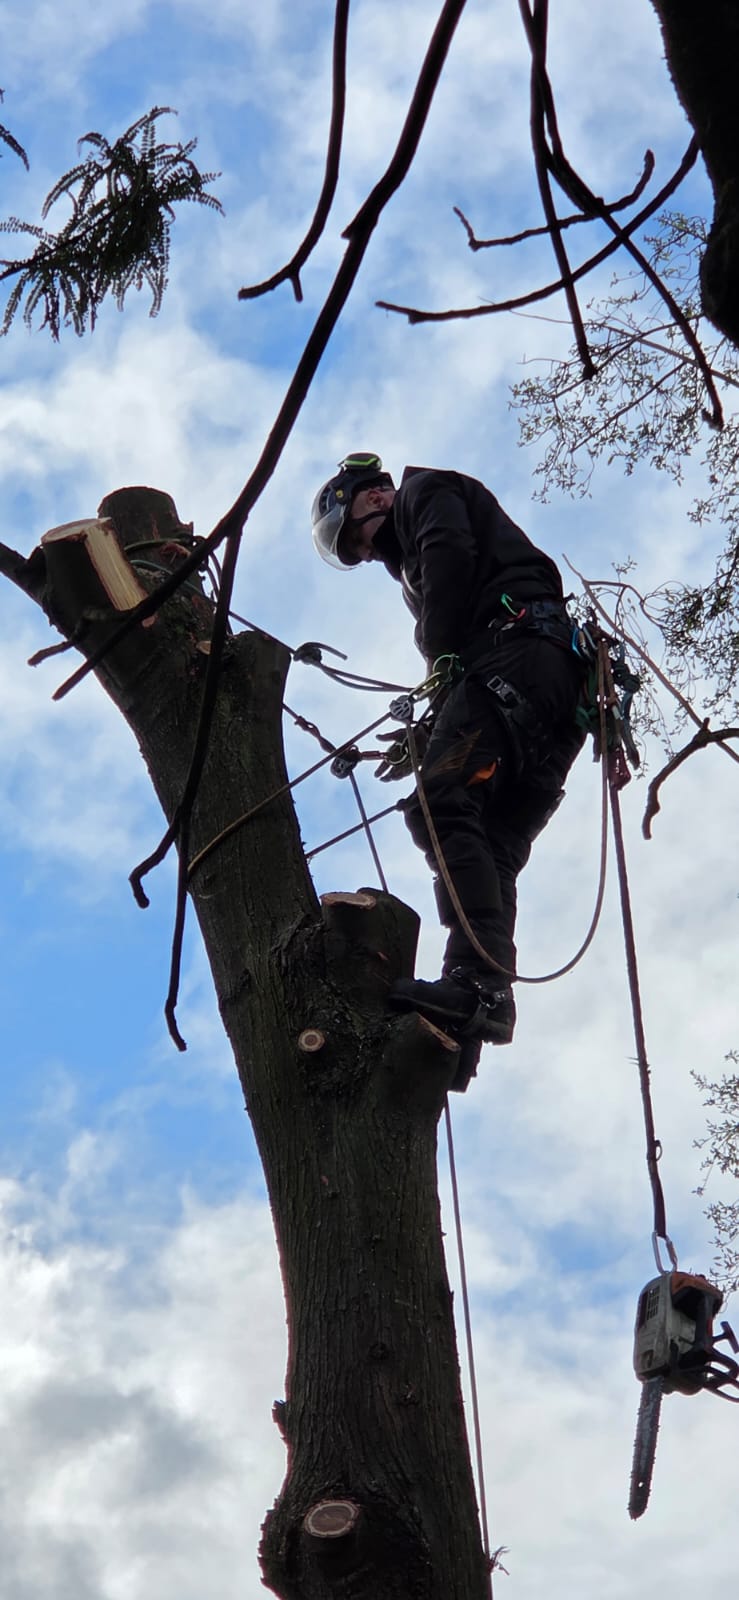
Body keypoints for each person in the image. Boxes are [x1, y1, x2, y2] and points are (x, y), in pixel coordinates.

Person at [311, 452, 586, 1046]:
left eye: (353, 538)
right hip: (556, 686)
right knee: (493, 843)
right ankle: (479, 1001)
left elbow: (449, 556)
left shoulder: (422, 495)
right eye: (353, 554)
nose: (363, 554)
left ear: (372, 498)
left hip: (519, 656)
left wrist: (439, 654)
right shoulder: (417, 540)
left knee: (438, 802)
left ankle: (477, 982)